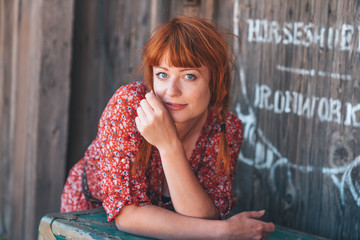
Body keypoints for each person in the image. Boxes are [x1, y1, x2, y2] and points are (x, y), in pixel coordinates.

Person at [61, 16, 275, 239]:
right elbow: (127, 215)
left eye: (189, 76)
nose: (172, 90)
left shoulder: (225, 128)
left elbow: (203, 218)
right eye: (162, 74)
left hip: (173, 227)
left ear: (215, 81)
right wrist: (225, 231)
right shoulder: (130, 107)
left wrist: (169, 146)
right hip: (89, 215)